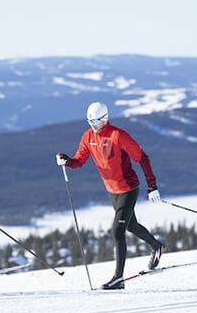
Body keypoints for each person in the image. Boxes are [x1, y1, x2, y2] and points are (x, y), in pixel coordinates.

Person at [56, 101, 164, 290]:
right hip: (112, 191)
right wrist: (66, 161)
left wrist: (152, 186)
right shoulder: (88, 136)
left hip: (128, 189)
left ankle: (118, 279)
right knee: (131, 226)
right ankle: (157, 246)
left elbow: (142, 158)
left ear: (105, 118)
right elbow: (79, 161)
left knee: (117, 231)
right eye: (89, 120)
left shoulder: (118, 135)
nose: (92, 124)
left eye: (95, 120)